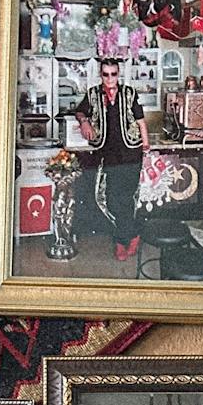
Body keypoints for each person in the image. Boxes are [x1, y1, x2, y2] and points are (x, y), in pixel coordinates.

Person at [74, 59, 147, 267]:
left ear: (118, 74)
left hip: (131, 152)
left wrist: (146, 145)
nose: (109, 79)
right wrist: (85, 121)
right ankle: (132, 235)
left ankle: (120, 242)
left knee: (126, 196)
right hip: (109, 154)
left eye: (113, 74)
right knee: (112, 198)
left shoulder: (130, 93)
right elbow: (80, 111)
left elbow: (141, 120)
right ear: (101, 74)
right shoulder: (93, 94)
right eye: (105, 74)